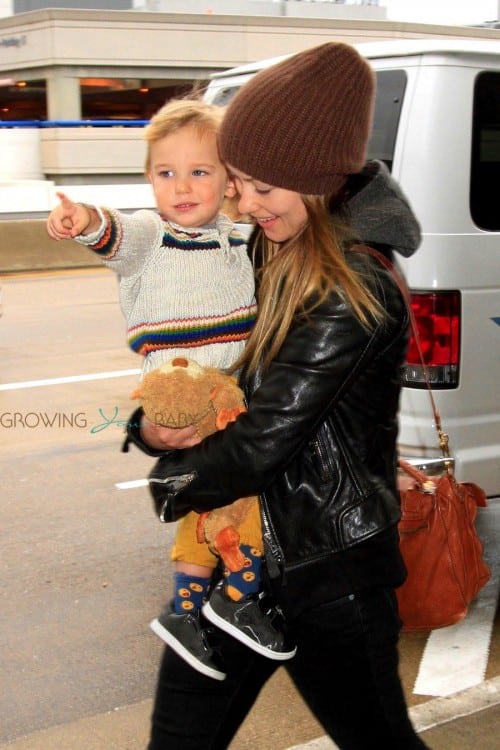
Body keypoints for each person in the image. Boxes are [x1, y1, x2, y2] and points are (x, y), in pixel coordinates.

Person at [125, 42, 431, 750]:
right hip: (240, 565)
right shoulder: (266, 248)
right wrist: (152, 424)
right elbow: (214, 376)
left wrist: (171, 482)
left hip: (326, 579)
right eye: (240, 181)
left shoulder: (355, 288)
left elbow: (260, 443)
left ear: (320, 181)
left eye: (266, 186)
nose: (245, 200)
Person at [46, 98, 295, 683]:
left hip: (217, 391)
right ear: (147, 179)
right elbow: (115, 235)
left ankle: (188, 609)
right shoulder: (152, 236)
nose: (181, 186)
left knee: (218, 499)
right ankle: (235, 596)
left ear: (229, 181)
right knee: (245, 490)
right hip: (182, 386)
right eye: (166, 173)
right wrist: (82, 219)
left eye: (200, 172)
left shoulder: (236, 238)